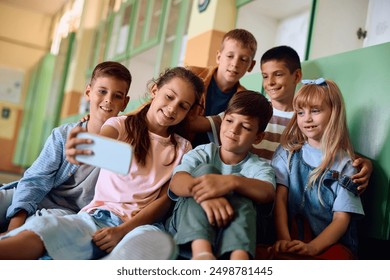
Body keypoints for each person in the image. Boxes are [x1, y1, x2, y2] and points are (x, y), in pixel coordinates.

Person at [0, 66, 204, 260]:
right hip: (96, 216)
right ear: (154, 90)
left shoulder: (183, 148)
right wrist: (85, 147)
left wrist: (123, 230)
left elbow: (163, 201)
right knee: (45, 227)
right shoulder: (121, 125)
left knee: (152, 243)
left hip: (140, 227)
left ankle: (108, 259)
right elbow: (103, 143)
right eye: (169, 97)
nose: (172, 108)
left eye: (183, 106)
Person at [0, 61, 131, 234]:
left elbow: (147, 116)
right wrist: (14, 224)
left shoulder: (124, 148)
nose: (108, 99)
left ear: (125, 103)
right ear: (88, 92)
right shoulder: (63, 134)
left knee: (39, 227)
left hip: (66, 212)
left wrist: (13, 234)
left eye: (117, 96)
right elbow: (35, 180)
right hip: (34, 195)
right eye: (102, 91)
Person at [166, 91, 275, 260]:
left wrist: (233, 182)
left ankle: (239, 258)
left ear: (258, 137)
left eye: (245, 127)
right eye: (230, 121)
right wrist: (206, 195)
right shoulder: (203, 152)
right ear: (222, 121)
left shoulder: (259, 166)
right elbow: (177, 182)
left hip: (232, 232)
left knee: (243, 189)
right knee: (206, 171)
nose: (233, 130)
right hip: (189, 228)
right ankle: (202, 253)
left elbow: (268, 193)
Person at [251, 45, 371, 192]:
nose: (270, 82)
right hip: (256, 188)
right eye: (265, 76)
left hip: (290, 195)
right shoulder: (256, 111)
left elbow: (324, 149)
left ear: (296, 76)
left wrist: (363, 163)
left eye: (278, 74)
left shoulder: (303, 121)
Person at [269, 78, 364, 259]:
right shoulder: (287, 153)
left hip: (330, 244)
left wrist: (312, 248)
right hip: (290, 236)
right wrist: (284, 239)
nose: (307, 118)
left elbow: (341, 219)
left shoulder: (346, 165)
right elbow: (280, 200)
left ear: (333, 112)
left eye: (315, 110)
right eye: (300, 112)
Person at [183, 28, 257, 147]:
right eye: (230, 56)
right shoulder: (191, 75)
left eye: (243, 59)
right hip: (177, 148)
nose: (235, 64)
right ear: (218, 57)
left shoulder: (245, 100)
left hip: (215, 159)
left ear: (251, 65)